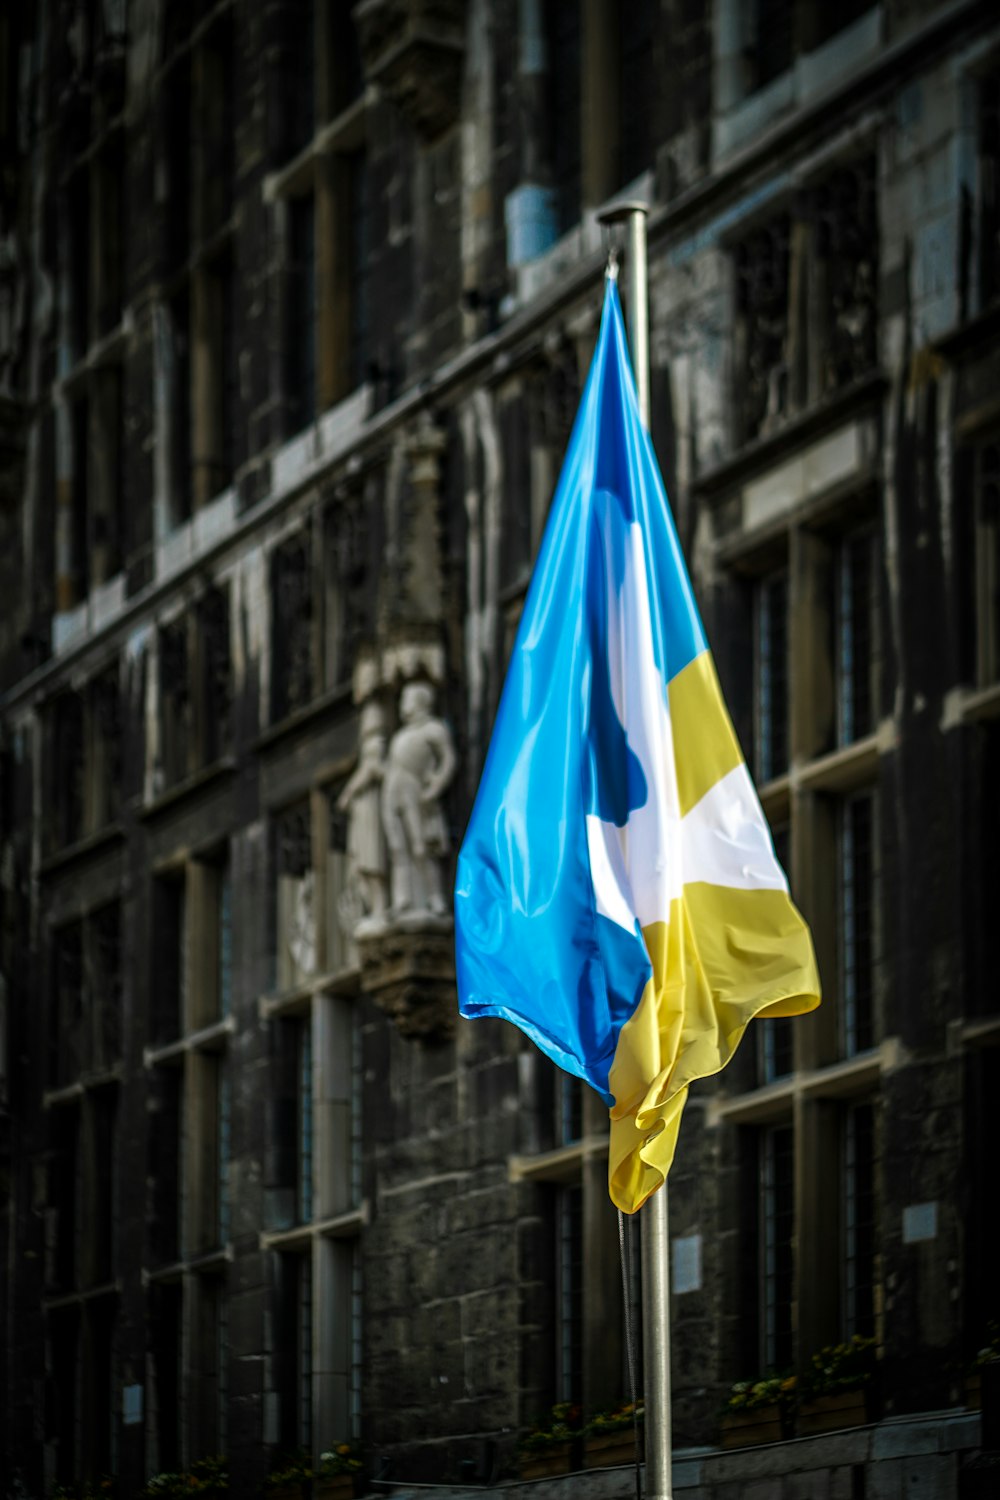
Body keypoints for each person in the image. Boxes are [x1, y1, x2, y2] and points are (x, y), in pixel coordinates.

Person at [382, 682, 456, 916]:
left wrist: (437, 785)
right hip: (392, 787)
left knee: (420, 844)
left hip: (413, 786)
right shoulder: (401, 735)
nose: (403, 702)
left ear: (420, 701)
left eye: (407, 697)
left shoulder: (432, 728)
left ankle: (433, 897)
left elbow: (449, 760)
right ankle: (403, 899)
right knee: (396, 846)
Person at [336, 702, 387, 930]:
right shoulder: (370, 745)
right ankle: (374, 908)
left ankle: (379, 907)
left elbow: (370, 771)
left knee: (371, 859)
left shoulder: (376, 745)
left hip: (371, 814)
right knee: (365, 863)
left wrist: (348, 794)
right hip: (364, 812)